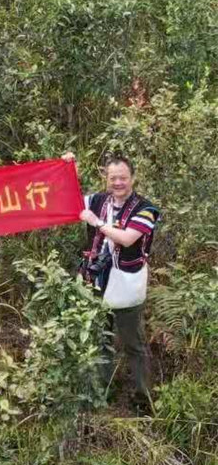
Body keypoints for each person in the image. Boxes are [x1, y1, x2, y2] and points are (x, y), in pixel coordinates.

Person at [70, 153, 160, 413]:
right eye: (113, 178)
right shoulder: (98, 201)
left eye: (123, 177)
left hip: (126, 287)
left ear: (132, 178)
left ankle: (144, 398)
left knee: (134, 344)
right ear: (106, 179)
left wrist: (96, 222)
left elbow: (128, 238)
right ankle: (103, 392)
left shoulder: (146, 209)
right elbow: (68, 197)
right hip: (95, 283)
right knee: (100, 339)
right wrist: (68, 167)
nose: (118, 182)